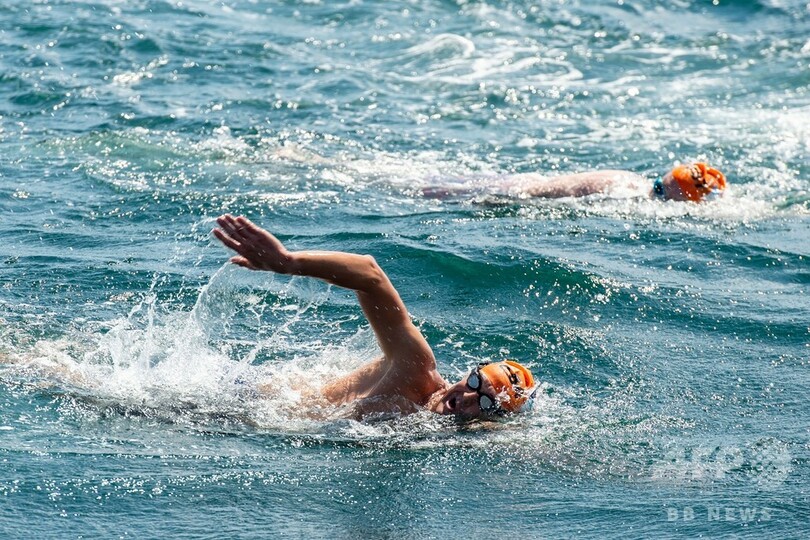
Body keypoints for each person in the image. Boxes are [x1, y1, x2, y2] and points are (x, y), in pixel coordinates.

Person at [213, 214, 537, 420]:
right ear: (470, 372)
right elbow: (370, 275)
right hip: (239, 397)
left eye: (484, 404)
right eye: (476, 382)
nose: (465, 397)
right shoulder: (415, 371)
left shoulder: (450, 432)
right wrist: (290, 262)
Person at [424, 162, 727, 202]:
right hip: (518, 193)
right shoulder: (629, 196)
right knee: (426, 191)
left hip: (524, 182)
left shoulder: (632, 180)